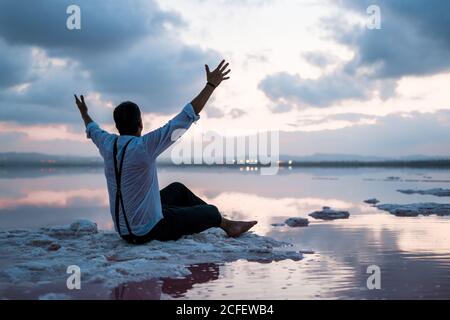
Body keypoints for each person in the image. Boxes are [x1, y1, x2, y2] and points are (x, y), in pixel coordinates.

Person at [74, 60, 257, 244]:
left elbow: (92, 128)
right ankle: (224, 224)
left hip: (124, 230)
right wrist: (211, 85)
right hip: (148, 231)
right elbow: (183, 119)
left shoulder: (108, 144)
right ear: (140, 124)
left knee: (177, 190)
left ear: (117, 126)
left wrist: (84, 112)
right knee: (211, 212)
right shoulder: (144, 146)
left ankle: (222, 223)